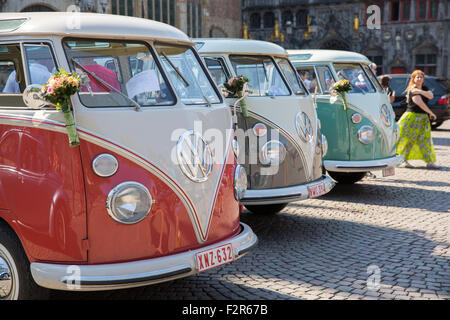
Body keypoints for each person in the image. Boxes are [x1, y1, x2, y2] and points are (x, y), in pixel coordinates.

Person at [396, 69, 438, 169]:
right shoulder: (412, 89)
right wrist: (431, 112)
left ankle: (429, 162)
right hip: (411, 117)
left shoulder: (422, 88)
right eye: (417, 77)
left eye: (421, 77)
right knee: (408, 140)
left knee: (425, 140)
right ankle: (403, 161)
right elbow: (419, 103)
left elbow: (431, 96)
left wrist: (420, 91)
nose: (419, 78)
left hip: (422, 118)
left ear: (423, 79)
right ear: (413, 79)